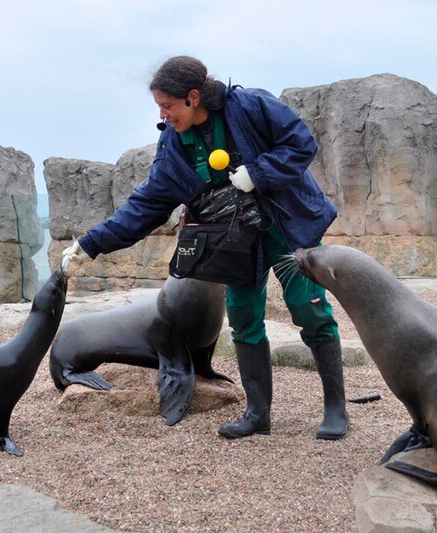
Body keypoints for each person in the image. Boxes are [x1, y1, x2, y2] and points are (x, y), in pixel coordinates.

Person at [63, 55, 348, 440]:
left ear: (193, 97)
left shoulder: (249, 106)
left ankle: (336, 410)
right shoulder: (173, 143)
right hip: (234, 239)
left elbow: (300, 144)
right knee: (244, 316)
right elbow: (147, 205)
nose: (163, 116)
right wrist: (90, 243)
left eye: (167, 106)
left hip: (285, 226)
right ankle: (257, 414)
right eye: (159, 107)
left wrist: (258, 173)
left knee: (307, 307)